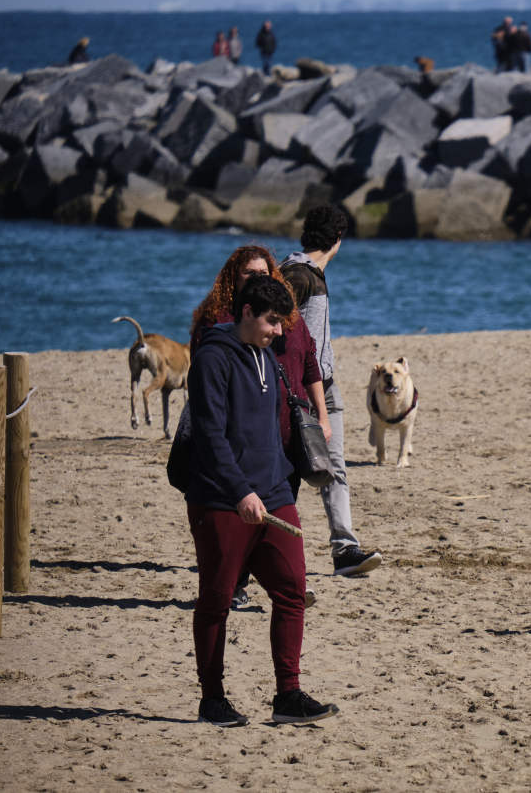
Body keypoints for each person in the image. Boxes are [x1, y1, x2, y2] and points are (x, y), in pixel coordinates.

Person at [187, 274, 339, 727]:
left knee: (292, 591)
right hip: (221, 501)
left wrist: (280, 485)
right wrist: (240, 492)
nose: (279, 331)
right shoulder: (212, 358)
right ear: (247, 313)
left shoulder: (267, 357)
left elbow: (272, 431)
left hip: (274, 495)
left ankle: (287, 696)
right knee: (215, 600)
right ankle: (212, 700)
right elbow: (211, 437)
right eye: (273, 322)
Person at [191, 245, 332, 607]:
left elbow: (310, 361)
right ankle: (237, 585)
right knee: (239, 519)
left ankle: (284, 582)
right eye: (249, 274)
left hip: (287, 431)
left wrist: (322, 415)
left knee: (280, 511)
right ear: (233, 278)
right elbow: (208, 404)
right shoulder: (218, 322)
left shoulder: (286, 314)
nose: (258, 278)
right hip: (237, 440)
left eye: (264, 272)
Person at [281, 205, 382, 578]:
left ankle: (345, 550)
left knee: (335, 467)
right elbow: (275, 328)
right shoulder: (299, 277)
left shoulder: (309, 275)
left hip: (326, 387)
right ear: (338, 241)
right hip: (299, 392)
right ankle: (254, 560)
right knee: (286, 475)